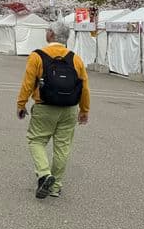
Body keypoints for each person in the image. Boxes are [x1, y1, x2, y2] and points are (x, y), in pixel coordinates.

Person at [16, 21, 90, 199]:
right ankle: (55, 186)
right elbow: (84, 87)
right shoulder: (75, 58)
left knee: (36, 140)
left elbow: (28, 83)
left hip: (45, 106)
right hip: (69, 108)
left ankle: (44, 173)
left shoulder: (37, 56)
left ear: (50, 34)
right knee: (62, 147)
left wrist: (21, 104)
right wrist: (84, 109)